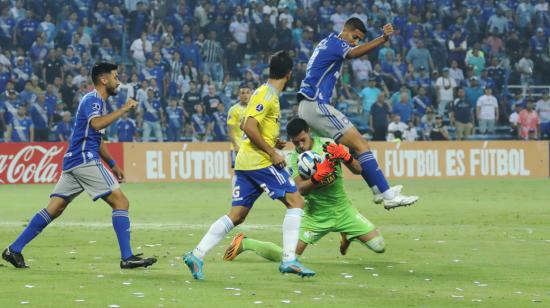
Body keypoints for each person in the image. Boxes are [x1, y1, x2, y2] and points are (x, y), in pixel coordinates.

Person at [2, 62, 156, 269]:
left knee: (55, 208)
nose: (118, 81)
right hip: (85, 159)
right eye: (115, 77)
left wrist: (112, 164)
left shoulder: (96, 102)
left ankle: (14, 249)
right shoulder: (94, 100)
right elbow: (97, 124)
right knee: (121, 203)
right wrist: (124, 108)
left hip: (74, 161)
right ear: (104, 80)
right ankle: (127, 257)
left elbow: (98, 139)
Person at [183, 51, 316, 280]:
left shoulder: (265, 93)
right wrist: (272, 151)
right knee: (296, 201)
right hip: (259, 162)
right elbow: (248, 125)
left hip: (245, 162)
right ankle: (288, 260)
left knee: (237, 215)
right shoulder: (266, 94)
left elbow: (254, 126)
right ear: (289, 73)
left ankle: (197, 254)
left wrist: (273, 141)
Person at [223, 118, 386, 263]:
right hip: (315, 216)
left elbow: (358, 170)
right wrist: (317, 178)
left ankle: (346, 234)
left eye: (303, 140)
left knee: (380, 247)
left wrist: (346, 157)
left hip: (344, 210)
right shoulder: (294, 159)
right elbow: (299, 190)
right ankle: (245, 243)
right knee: (287, 256)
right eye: (296, 143)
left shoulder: (329, 145)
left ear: (309, 132)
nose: (301, 146)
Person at [297, 17, 418, 209]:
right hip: (315, 104)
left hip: (308, 105)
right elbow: (353, 54)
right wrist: (382, 39)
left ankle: (378, 190)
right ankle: (388, 196)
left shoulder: (327, 42)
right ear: (345, 30)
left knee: (354, 148)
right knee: (361, 144)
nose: (355, 42)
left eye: (358, 39)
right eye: (355, 37)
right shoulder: (337, 43)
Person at [227, 84, 252, 168]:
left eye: (247, 93)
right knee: (239, 171)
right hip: (239, 146)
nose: (245, 95)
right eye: (242, 93)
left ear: (251, 94)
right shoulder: (234, 110)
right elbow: (230, 131)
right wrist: (235, 146)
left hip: (251, 148)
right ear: (239, 95)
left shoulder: (255, 109)